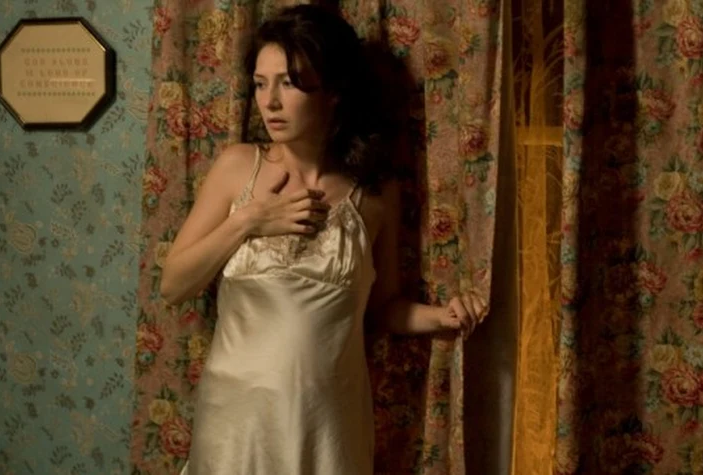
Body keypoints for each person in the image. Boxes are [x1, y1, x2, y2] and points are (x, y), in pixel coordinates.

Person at [159, 4, 489, 474]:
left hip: (329, 422)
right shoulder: (237, 167)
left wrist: (441, 317)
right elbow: (173, 284)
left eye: (288, 83)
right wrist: (248, 221)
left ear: (334, 91)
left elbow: (383, 308)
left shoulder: (375, 193)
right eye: (260, 83)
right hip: (236, 421)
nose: (270, 102)